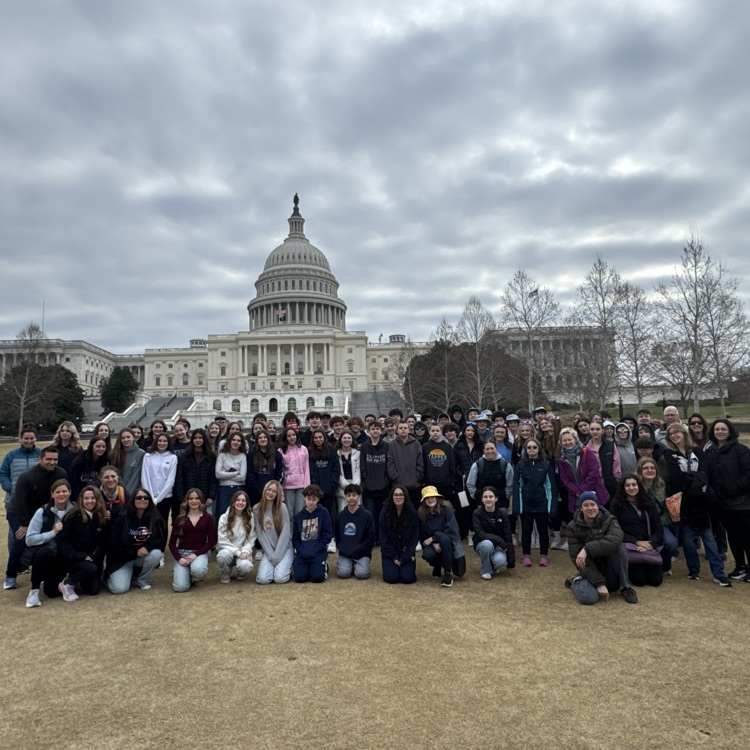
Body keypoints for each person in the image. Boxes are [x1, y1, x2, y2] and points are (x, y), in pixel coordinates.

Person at [662, 423, 731, 586]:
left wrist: (692, 480)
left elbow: (704, 474)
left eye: (677, 432)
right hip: (684, 503)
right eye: (671, 434)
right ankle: (693, 570)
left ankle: (718, 573)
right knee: (687, 539)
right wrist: (694, 480)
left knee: (709, 538)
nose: (674, 435)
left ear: (684, 433)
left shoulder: (698, 452)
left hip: (702, 503)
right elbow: (676, 479)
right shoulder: (669, 454)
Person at [4, 446, 67, 591]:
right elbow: (20, 502)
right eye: (48, 459)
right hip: (19, 512)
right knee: (20, 541)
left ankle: (45, 572)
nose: (52, 462)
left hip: (43, 512)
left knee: (47, 543)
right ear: (40, 459)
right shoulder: (27, 476)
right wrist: (25, 524)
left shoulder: (60, 473)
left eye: (55, 459)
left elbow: (61, 492)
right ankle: (11, 576)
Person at [565, 493, 638, 605]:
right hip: (590, 568)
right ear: (581, 507)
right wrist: (599, 583)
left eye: (593, 504)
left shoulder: (610, 519)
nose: (590, 508)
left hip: (609, 565)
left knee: (619, 547)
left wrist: (587, 549)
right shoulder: (572, 527)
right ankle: (575, 581)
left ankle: (625, 587)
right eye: (586, 505)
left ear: (598, 505)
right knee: (589, 598)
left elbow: (615, 539)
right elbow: (576, 557)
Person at [704, 418, 750, 581]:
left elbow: (748, 473)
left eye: (723, 429)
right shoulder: (710, 452)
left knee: (746, 535)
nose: (720, 432)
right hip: (722, 503)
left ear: (730, 431)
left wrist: (735, 488)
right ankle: (740, 566)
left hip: (741, 502)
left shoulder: (741, 450)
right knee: (733, 535)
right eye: (717, 429)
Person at [22, 478, 74, 607]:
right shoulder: (42, 512)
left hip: (66, 555)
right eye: (57, 492)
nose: (61, 494)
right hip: (49, 555)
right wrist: (53, 533)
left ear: (70, 492)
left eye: (64, 491)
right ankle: (34, 591)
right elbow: (29, 539)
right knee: (43, 553)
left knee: (52, 592)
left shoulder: (75, 511)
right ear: (52, 494)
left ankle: (69, 580)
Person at [105, 488, 166, 594]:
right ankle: (109, 577)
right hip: (122, 559)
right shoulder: (122, 517)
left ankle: (142, 580)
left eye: (146, 498)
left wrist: (148, 548)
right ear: (133, 500)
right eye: (139, 497)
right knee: (119, 589)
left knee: (156, 554)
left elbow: (161, 539)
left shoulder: (155, 517)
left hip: (142, 556)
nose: (143, 500)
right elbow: (113, 543)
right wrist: (134, 552)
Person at [609, 475, 664, 587]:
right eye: (628, 485)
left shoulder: (648, 502)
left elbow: (658, 527)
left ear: (638, 486)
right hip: (631, 546)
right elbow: (614, 529)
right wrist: (636, 542)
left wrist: (651, 543)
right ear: (623, 488)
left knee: (656, 581)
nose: (631, 488)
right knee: (639, 580)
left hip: (648, 545)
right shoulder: (617, 504)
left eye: (634, 484)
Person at [57, 486, 109, 601]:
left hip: (92, 560)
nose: (89, 501)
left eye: (93, 498)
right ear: (81, 499)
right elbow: (62, 541)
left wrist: (93, 556)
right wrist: (79, 555)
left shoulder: (100, 516)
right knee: (90, 568)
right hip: (73, 559)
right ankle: (67, 583)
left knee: (94, 590)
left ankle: (79, 580)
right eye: (86, 498)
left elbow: (104, 542)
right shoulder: (71, 516)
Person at [512, 438, 557, 567]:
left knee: (543, 531)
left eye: (534, 447)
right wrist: (518, 506)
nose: (531, 450)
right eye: (529, 447)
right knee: (526, 531)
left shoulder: (546, 465)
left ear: (539, 449)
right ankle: (526, 555)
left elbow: (550, 487)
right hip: (526, 505)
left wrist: (551, 507)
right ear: (525, 450)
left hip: (542, 504)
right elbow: (517, 486)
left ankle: (544, 555)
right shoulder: (521, 465)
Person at [169, 488, 218, 592]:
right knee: (180, 588)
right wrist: (179, 558)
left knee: (198, 570)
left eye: (197, 498)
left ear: (201, 500)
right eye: (190, 498)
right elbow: (172, 544)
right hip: (182, 554)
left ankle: (194, 578)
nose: (194, 501)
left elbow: (211, 541)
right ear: (186, 501)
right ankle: (183, 575)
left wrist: (195, 554)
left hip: (199, 553)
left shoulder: (209, 518)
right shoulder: (179, 519)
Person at [636, 457, 678, 574]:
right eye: (646, 468)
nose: (650, 470)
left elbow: (666, 510)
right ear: (640, 471)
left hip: (659, 523)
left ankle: (664, 564)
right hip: (640, 523)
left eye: (652, 467)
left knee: (671, 542)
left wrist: (659, 522)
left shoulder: (662, 486)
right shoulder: (634, 487)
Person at [417, 485, 462, 587]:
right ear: (424, 500)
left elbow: (452, 530)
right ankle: (437, 565)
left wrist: (434, 538)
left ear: (437, 497)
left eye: (432, 496)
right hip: (431, 544)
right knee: (428, 554)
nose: (430, 499)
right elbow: (422, 534)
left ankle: (447, 572)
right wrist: (433, 544)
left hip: (448, 542)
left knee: (445, 540)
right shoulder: (421, 513)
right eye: (427, 498)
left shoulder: (447, 509)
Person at [557, 428, 609, 513]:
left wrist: (583, 489)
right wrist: (577, 491)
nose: (567, 442)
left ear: (575, 439)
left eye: (570, 439)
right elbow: (565, 479)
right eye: (564, 440)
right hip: (576, 498)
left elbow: (594, 472)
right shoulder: (562, 460)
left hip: (594, 493)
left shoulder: (587, 452)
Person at [253, 480, 293, 584]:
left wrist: (277, 556)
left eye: (274, 491)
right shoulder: (256, 509)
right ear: (264, 490)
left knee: (280, 578)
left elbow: (285, 533)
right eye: (269, 489)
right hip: (269, 550)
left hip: (284, 548)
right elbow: (260, 534)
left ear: (277, 494)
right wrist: (271, 555)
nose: (270, 493)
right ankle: (276, 566)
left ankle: (289, 565)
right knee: (263, 579)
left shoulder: (282, 507)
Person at [292, 484, 333, 583]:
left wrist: (318, 548)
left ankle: (323, 565)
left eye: (314, 499)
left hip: (318, 552)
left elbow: (327, 534)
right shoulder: (298, 517)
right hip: (303, 553)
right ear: (304, 498)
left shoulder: (323, 512)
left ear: (318, 499)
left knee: (317, 577)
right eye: (308, 499)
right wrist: (301, 550)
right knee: (299, 578)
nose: (311, 502)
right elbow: (295, 539)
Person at [472, 486, 515, 579]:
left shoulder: (503, 514)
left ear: (496, 498)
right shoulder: (476, 513)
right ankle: (486, 570)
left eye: (491, 497)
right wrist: (500, 541)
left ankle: (493, 566)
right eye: (485, 497)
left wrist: (511, 564)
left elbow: (508, 536)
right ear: (482, 499)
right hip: (482, 544)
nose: (488, 499)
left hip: (498, 547)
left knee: (500, 561)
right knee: (487, 544)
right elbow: (479, 533)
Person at [379, 485, 419, 584]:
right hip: (390, 552)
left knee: (407, 579)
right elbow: (383, 537)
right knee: (391, 578)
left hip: (406, 552)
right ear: (391, 497)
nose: (398, 497)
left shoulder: (412, 512)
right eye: (395, 495)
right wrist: (394, 557)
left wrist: (405, 557)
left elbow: (414, 537)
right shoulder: (385, 512)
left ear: (405, 496)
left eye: (401, 495)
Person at [307, 428, 340, 549]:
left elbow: (335, 470)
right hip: (315, 490)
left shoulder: (332, 450)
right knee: (315, 514)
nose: (318, 439)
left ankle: (330, 539)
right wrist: (315, 489)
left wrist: (331, 486)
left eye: (320, 437)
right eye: (316, 438)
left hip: (329, 489)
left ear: (324, 438)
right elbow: (311, 471)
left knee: (329, 514)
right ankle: (315, 537)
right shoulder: (310, 452)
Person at [335, 483, 375, 579]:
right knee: (343, 574)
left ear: (359, 496)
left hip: (362, 553)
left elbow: (371, 537)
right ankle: (348, 565)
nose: (351, 498)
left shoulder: (367, 515)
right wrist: (343, 548)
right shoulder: (341, 516)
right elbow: (337, 536)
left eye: (354, 495)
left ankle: (357, 566)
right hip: (346, 552)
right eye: (348, 495)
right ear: (345, 497)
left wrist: (360, 549)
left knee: (362, 574)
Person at [216, 490, 256, 583]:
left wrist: (246, 551)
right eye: (238, 500)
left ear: (247, 503)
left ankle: (241, 572)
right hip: (227, 550)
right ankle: (225, 573)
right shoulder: (224, 517)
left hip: (243, 551)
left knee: (245, 565)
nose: (240, 503)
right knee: (223, 556)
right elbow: (222, 540)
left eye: (243, 500)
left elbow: (251, 537)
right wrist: (238, 552)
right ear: (233, 501)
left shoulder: (250, 516)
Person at [174, 428, 217, 511]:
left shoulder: (211, 457)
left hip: (205, 498)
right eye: (195, 438)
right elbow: (179, 479)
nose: (198, 440)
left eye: (200, 438)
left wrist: (211, 496)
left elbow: (213, 479)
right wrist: (182, 498)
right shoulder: (184, 456)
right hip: (188, 497)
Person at [360, 421, 390, 531]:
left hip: (383, 487)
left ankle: (381, 538)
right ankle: (372, 538)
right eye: (373, 429)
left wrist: (386, 481)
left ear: (381, 431)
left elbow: (389, 465)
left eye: (378, 428)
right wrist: (366, 481)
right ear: (368, 431)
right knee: (370, 515)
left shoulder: (387, 446)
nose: (375, 431)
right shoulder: (364, 447)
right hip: (369, 488)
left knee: (382, 515)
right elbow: (362, 466)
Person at [386, 421, 424, 509]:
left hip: (414, 486)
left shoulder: (416, 444)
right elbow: (390, 463)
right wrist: (395, 478)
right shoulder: (392, 445)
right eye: (401, 428)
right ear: (397, 430)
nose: (403, 430)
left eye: (405, 428)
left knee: (414, 511)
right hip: (398, 486)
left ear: (409, 430)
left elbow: (420, 463)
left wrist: (416, 477)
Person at [141, 433, 178, 525]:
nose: (162, 443)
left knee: (162, 522)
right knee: (148, 522)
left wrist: (158, 499)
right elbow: (145, 477)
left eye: (165, 441)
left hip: (165, 497)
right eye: (160, 441)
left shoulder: (173, 457)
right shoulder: (147, 456)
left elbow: (171, 480)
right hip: (149, 496)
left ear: (168, 443)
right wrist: (150, 496)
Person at [215, 431, 247, 519]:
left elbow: (243, 477)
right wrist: (236, 472)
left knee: (238, 516)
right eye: (233, 440)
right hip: (224, 490)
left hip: (239, 489)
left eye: (238, 440)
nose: (236, 442)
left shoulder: (243, 456)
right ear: (229, 441)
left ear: (241, 443)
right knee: (223, 515)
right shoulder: (222, 456)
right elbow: (218, 475)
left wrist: (225, 473)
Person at [280, 426, 310, 520]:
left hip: (301, 486)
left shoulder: (304, 449)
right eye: (289, 436)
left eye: (293, 435)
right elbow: (281, 471)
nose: (292, 437)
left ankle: (299, 533)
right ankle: (290, 534)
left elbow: (306, 468)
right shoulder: (281, 451)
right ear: (285, 437)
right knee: (289, 513)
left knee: (300, 511)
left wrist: (307, 486)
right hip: (287, 486)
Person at [246, 429, 284, 503]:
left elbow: (280, 473)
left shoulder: (276, 454)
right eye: (260, 438)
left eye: (265, 437)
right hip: (255, 493)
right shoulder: (251, 455)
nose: (263, 439)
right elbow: (249, 474)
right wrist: (259, 491)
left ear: (268, 439)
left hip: (272, 494)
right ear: (257, 440)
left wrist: (273, 489)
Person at [109, 428, 146, 501]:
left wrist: (130, 492)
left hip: (134, 494)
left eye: (128, 437)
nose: (125, 440)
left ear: (133, 438)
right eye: (123, 438)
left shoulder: (141, 453)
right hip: (117, 493)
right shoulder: (115, 454)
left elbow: (138, 475)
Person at [336, 429, 361, 514]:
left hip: (356, 486)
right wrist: (346, 485)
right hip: (342, 488)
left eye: (349, 438)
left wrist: (354, 486)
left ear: (352, 440)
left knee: (357, 513)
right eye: (344, 438)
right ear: (340, 440)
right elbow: (337, 472)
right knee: (343, 513)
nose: (347, 440)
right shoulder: (336, 454)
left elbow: (359, 470)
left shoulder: (358, 453)